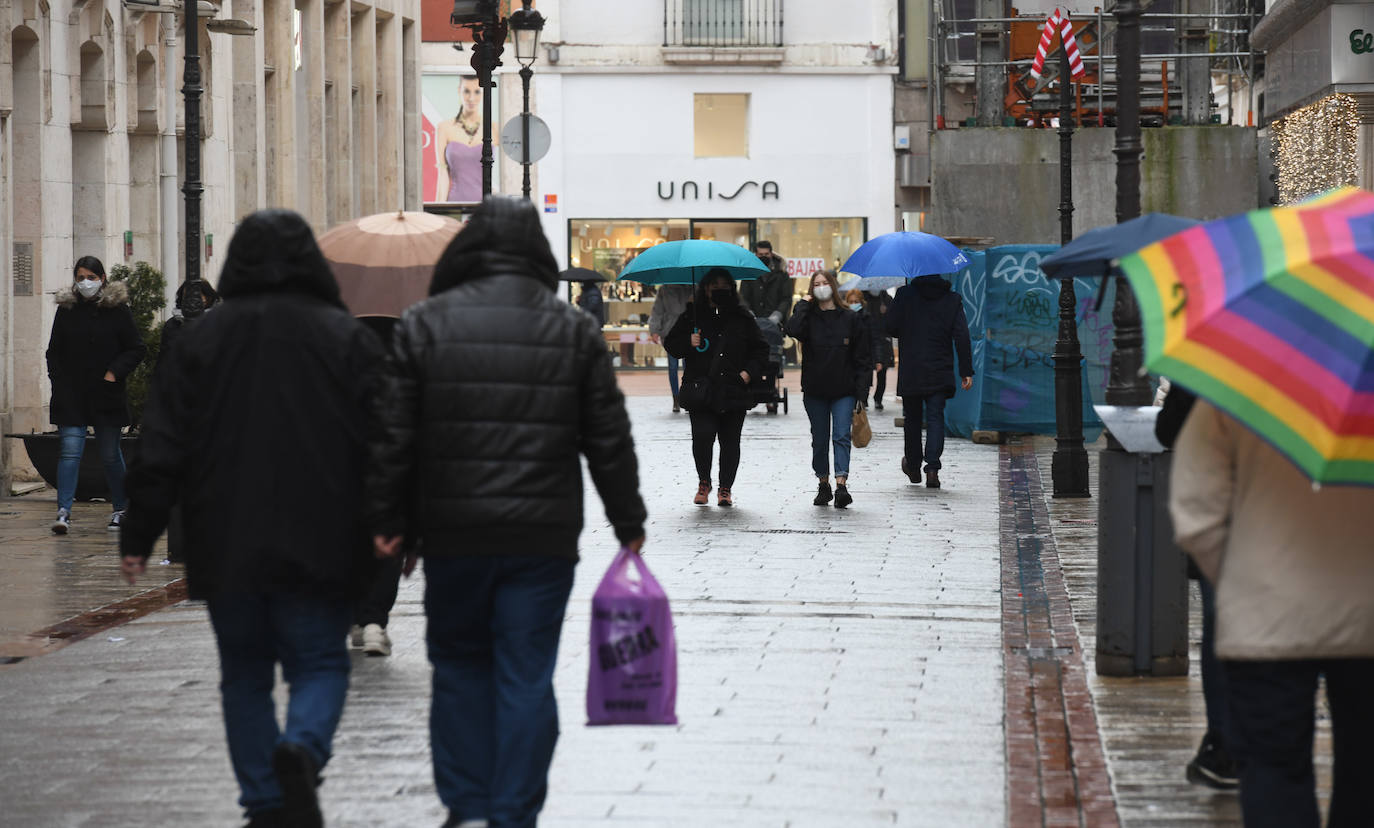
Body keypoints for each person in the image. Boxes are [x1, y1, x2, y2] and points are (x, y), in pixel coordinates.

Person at [365, 195, 646, 828]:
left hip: (454, 534)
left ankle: (466, 804)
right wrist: (628, 521)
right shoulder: (571, 329)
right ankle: (514, 811)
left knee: (461, 666)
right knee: (525, 671)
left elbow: (394, 437)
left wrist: (389, 521)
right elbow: (607, 434)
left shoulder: (424, 323)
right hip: (541, 538)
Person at [120, 209, 383, 828]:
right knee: (320, 661)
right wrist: (395, 519)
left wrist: (139, 531)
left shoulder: (201, 340)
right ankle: (304, 748)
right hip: (322, 535)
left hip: (225, 536)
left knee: (243, 676)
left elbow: (162, 443)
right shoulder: (346, 339)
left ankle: (264, 802)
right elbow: (386, 440)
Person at [1170, 399, 1374, 827]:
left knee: (1273, 772)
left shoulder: (1239, 383)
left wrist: (1241, 582)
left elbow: (1197, 511)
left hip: (1265, 615)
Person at [1153, 379, 1236, 790]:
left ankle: (1225, 746)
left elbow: (1167, 427)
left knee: (1220, 627)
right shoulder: (1319, 356)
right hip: (1288, 522)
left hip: (1222, 512)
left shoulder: (1213, 355)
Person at [45, 255, 146, 534]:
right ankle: (63, 511)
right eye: (80, 277)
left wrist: (114, 373)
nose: (86, 283)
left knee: (110, 453)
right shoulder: (67, 310)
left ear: (102, 279)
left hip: (106, 394)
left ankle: (121, 508)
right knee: (69, 451)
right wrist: (59, 381)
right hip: (72, 394)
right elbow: (54, 351)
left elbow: (136, 348)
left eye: (91, 277)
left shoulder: (118, 310)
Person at [664, 268, 769, 507]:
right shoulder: (693, 315)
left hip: (734, 389)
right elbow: (671, 345)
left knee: (730, 441)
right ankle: (704, 481)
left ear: (732, 289)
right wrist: (688, 342)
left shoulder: (742, 317)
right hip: (701, 389)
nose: (719, 290)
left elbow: (761, 349)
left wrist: (747, 374)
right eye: (714, 286)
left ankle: (725, 488)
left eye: (724, 286)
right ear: (706, 289)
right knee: (702, 437)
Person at [788, 273, 871, 509]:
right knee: (820, 439)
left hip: (844, 389)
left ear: (833, 287)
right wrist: (803, 304)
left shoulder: (850, 319)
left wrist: (861, 393)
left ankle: (841, 483)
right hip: (815, 389)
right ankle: (823, 482)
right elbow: (793, 329)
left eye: (825, 283)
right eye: (816, 285)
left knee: (842, 435)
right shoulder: (808, 318)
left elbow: (863, 358)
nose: (821, 288)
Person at [885, 273, 973, 489]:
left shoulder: (905, 294)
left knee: (912, 419)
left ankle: (913, 465)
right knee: (935, 418)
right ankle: (932, 469)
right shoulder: (952, 299)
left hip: (912, 368)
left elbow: (890, 327)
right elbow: (961, 335)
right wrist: (965, 370)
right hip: (939, 369)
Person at [433, 76, 483, 203]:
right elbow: (442, 173)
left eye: (477, 92)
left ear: (483, 93)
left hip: (486, 206)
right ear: (459, 91)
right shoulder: (444, 128)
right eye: (466, 91)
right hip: (455, 203)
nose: (471, 98)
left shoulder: (493, 128)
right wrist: (439, 210)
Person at [155, 279, 221, 375]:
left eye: (197, 295)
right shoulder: (172, 324)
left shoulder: (218, 322)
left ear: (207, 297)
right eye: (186, 295)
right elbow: (163, 359)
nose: (190, 300)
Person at [648, 283, 693, 413]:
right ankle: (676, 398)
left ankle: (688, 395)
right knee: (673, 367)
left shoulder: (692, 286)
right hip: (670, 332)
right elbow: (657, 310)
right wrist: (654, 330)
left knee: (689, 366)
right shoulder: (664, 289)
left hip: (688, 331)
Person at [741, 240, 792, 326]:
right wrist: (749, 313)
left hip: (776, 323)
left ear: (771, 254)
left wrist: (777, 315)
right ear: (756, 255)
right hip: (753, 323)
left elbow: (786, 298)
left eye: (766, 254)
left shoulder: (782, 273)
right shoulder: (749, 274)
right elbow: (743, 297)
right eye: (761, 254)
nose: (764, 257)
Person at [862, 290, 895, 411]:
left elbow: (893, 321)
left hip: (883, 340)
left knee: (882, 374)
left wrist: (886, 313)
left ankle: (878, 399)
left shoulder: (887, 299)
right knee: (866, 373)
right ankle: (863, 398)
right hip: (867, 340)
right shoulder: (863, 298)